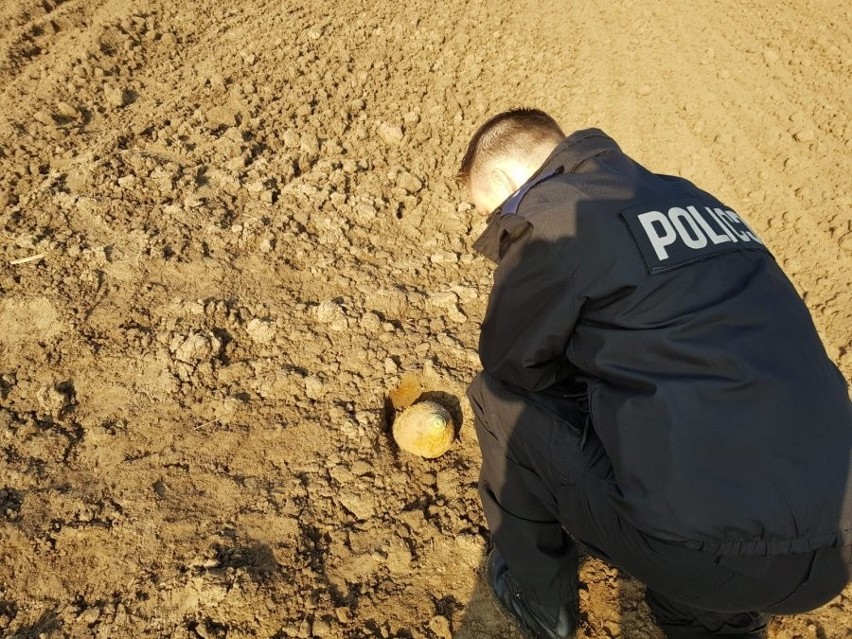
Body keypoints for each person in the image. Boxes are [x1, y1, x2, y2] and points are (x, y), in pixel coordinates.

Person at [457, 108, 852, 639]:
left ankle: (540, 600)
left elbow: (512, 364)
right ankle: (717, 614)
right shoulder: (696, 199)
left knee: (496, 397)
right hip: (837, 542)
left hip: (699, 545)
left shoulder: (553, 217)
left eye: (491, 212)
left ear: (506, 184)